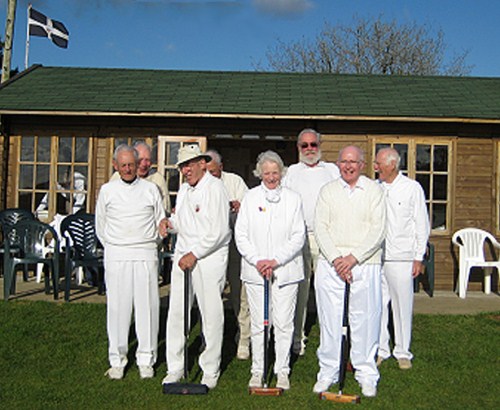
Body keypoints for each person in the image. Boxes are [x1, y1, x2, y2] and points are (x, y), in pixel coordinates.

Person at [313, 145, 386, 398]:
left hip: (365, 263)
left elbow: (378, 230)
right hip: (331, 264)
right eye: (344, 161)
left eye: (353, 162)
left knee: (365, 320)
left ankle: (366, 373)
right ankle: (328, 372)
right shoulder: (328, 191)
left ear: (362, 165)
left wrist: (353, 258)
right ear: (338, 164)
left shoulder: (374, 191)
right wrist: (337, 259)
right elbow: (320, 227)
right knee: (330, 320)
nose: (348, 166)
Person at [161, 144, 231, 390]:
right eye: (182, 165)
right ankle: (175, 368)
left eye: (190, 164)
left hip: (209, 259)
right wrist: (168, 224)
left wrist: (195, 254)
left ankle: (210, 369)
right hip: (183, 258)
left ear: (203, 163)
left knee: (210, 314)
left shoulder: (216, 188)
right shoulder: (183, 190)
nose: (185, 169)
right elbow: (182, 221)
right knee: (177, 313)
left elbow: (220, 231)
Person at [235, 150, 305, 391]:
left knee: (284, 324)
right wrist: (258, 261)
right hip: (256, 273)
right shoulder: (251, 198)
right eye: (267, 173)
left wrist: (275, 260)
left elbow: (298, 236)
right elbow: (241, 235)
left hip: (286, 272)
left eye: (275, 172)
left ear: (282, 173)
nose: (271, 177)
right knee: (259, 324)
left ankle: (282, 371)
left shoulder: (294, 199)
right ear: (259, 174)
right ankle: (258, 370)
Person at [95, 144, 166, 380]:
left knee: (147, 308)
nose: (127, 169)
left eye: (131, 165)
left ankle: (146, 359)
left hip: (145, 253)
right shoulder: (107, 190)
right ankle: (117, 360)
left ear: (138, 165)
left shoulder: (150, 189)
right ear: (115, 165)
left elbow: (160, 223)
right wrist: (116, 246)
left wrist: (147, 244)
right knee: (118, 309)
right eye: (123, 165)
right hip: (117, 255)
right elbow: (101, 226)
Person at [282, 128, 340, 356]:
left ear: (320, 145)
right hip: (300, 238)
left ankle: (332, 340)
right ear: (298, 148)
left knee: (328, 290)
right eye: (304, 145)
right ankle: (297, 338)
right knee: (300, 290)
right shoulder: (291, 173)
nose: (309, 149)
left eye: (313, 145)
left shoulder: (332, 171)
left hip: (327, 238)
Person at [374, 147, 430, 370]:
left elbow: (421, 223)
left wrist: (418, 257)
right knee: (378, 305)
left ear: (392, 165)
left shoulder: (411, 188)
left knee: (402, 306)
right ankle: (380, 349)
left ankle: (403, 351)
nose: (375, 167)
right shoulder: (375, 188)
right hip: (377, 257)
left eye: (379, 163)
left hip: (402, 258)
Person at [206, 149, 252, 360]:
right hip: (210, 249)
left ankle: (243, 337)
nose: (210, 176)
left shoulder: (234, 182)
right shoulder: (198, 186)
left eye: (213, 172)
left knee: (238, 294)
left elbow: (250, 211)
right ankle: (209, 339)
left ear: (221, 168)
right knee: (209, 296)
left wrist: (240, 207)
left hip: (234, 246)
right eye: (206, 171)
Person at [110, 140, 171, 214]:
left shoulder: (157, 179)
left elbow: (166, 208)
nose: (144, 164)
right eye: (140, 160)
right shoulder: (117, 177)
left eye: (147, 160)